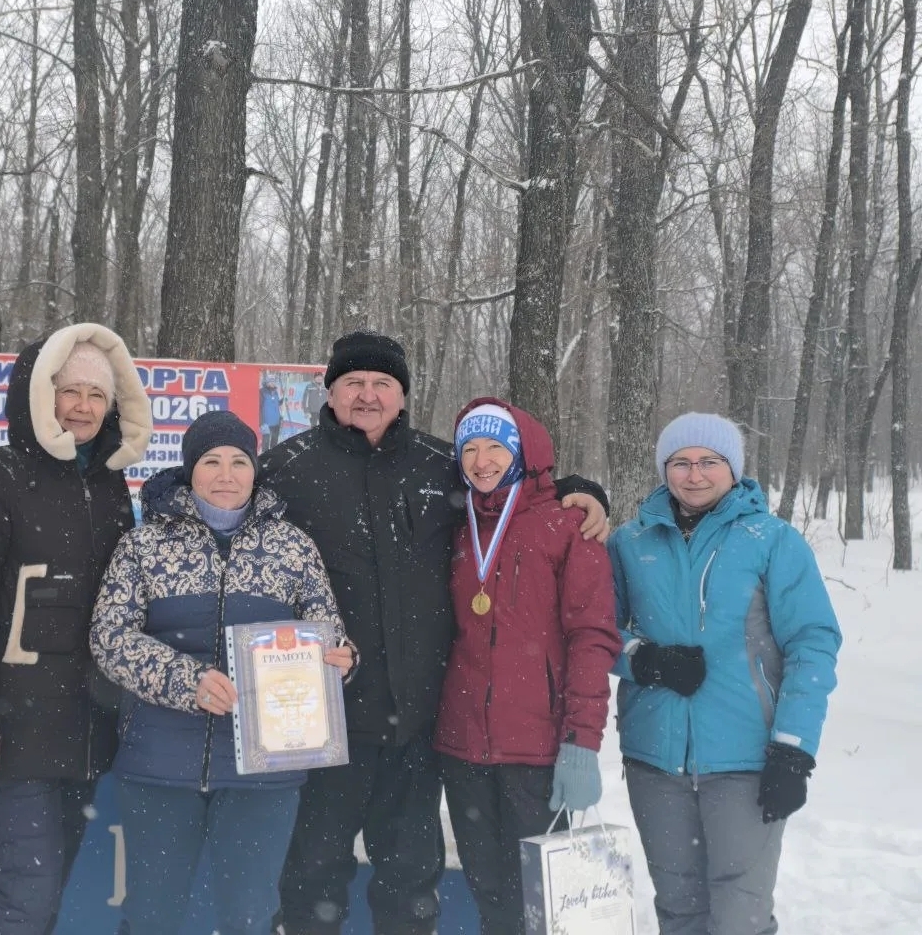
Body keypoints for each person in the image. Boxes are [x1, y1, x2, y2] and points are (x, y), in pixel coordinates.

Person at [262, 331, 610, 935]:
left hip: (417, 727)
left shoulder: (438, 464)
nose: (368, 395)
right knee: (313, 878)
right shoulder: (286, 469)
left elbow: (510, 489)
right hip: (323, 724)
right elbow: (222, 510)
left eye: (383, 384)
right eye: (354, 383)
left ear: (403, 396)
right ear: (331, 390)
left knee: (410, 883)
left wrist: (581, 492)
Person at [90, 410, 355, 935]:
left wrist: (340, 659)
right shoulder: (144, 546)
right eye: (211, 461)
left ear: (256, 471)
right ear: (191, 471)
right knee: (151, 917)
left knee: (251, 918)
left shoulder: (292, 547)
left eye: (239, 461)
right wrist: (186, 680)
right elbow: (109, 637)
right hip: (160, 766)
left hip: (264, 772)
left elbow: (328, 634)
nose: (226, 474)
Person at [0, 323, 152, 935]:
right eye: (70, 391)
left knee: (51, 887)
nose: (84, 406)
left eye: (97, 394)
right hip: (18, 724)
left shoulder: (110, 482)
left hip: (89, 727)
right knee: (28, 895)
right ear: (40, 394)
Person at [609, 413, 842, 935]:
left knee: (741, 915)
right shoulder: (631, 541)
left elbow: (813, 641)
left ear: (733, 469)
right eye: (681, 462)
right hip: (654, 759)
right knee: (678, 909)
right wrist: (643, 658)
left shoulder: (771, 540)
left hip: (747, 759)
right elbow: (595, 632)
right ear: (663, 469)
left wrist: (794, 746)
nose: (695, 474)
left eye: (709, 461)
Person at [434, 399, 620, 935]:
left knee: (547, 908)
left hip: (537, 749)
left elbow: (591, 638)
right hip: (461, 746)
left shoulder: (569, 526)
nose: (482, 460)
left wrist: (581, 744)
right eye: (469, 448)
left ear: (524, 452)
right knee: (491, 899)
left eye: (496, 446)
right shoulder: (451, 524)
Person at [261, 376, 285, 448]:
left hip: (276, 422)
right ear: (267, 383)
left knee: (274, 442)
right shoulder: (262, 392)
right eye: (270, 381)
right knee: (266, 442)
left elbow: (276, 403)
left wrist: (282, 401)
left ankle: (273, 456)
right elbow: (259, 407)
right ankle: (264, 457)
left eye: (274, 382)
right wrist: (261, 422)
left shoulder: (275, 392)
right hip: (266, 422)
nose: (272, 383)